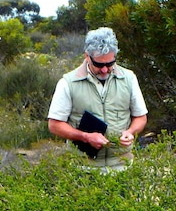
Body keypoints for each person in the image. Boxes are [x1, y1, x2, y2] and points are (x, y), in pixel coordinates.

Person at [47, 27, 148, 170]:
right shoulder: (68, 83)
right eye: (99, 64)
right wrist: (85, 137)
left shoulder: (129, 78)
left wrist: (130, 132)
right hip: (84, 168)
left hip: (123, 165)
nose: (105, 69)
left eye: (110, 63)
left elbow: (141, 117)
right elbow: (55, 125)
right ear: (87, 56)